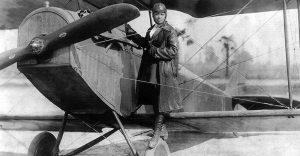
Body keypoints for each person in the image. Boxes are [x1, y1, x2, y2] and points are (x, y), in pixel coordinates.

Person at [126, 2, 182, 148]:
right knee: (152, 98)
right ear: (153, 15)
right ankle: (162, 128)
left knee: (160, 102)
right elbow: (145, 43)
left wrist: (156, 52)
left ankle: (157, 133)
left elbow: (173, 50)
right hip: (150, 69)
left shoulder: (170, 31)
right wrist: (129, 31)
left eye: (162, 14)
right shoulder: (151, 29)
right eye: (156, 14)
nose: (159, 16)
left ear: (165, 15)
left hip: (162, 71)